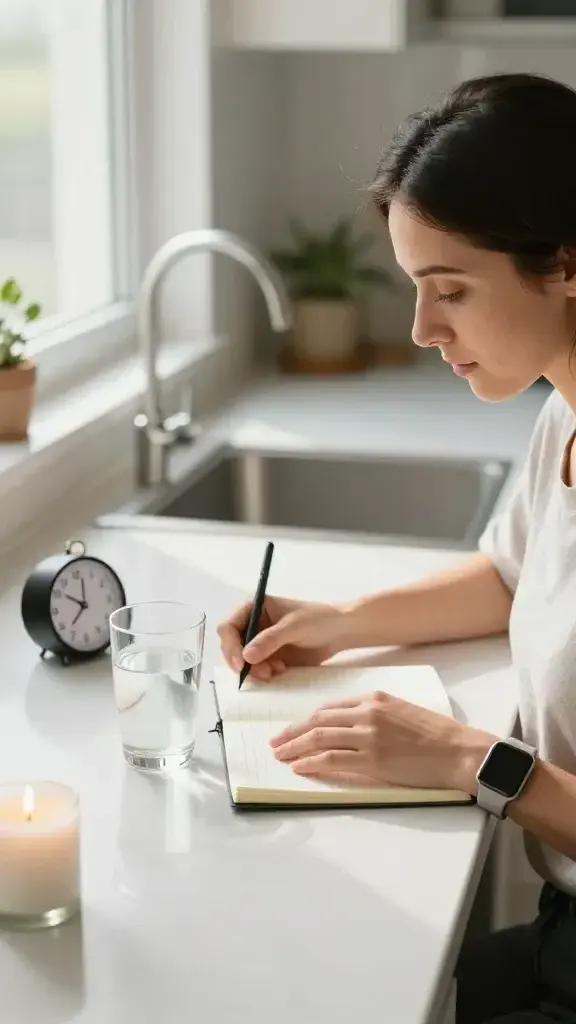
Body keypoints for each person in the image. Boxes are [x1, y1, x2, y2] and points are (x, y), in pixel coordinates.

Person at [217, 73, 576, 1023]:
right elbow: (511, 574)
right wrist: (338, 623)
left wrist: (472, 759)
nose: (422, 331)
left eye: (450, 290)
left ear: (567, 262)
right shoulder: (563, 417)